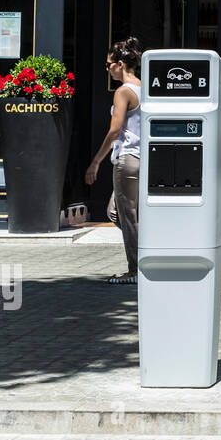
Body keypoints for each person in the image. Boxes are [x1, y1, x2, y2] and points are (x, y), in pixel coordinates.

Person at [86, 37, 142, 284]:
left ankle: (135, 271)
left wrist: (96, 161)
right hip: (141, 158)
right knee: (115, 213)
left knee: (126, 215)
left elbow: (114, 130)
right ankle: (147, 251)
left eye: (109, 64)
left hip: (127, 158)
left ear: (120, 64)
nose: (107, 69)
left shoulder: (123, 92)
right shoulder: (144, 88)